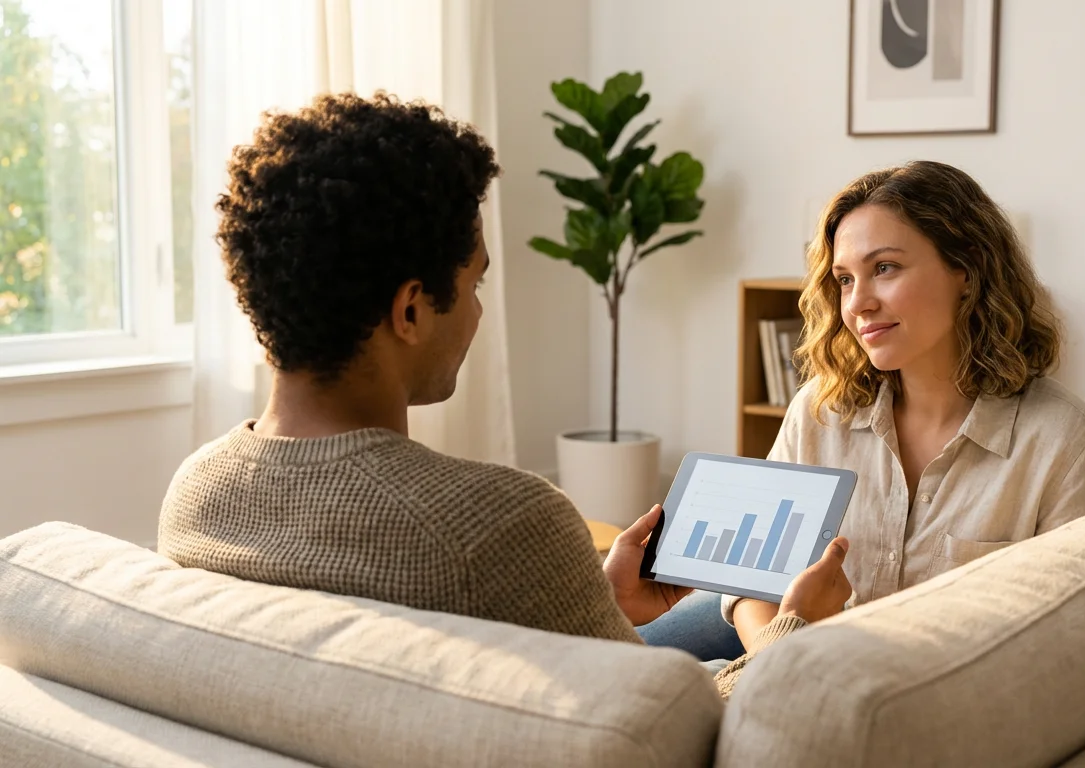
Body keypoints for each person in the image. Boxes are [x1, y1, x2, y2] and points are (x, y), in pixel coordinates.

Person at [156, 92, 851, 697]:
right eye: (474, 284)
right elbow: (673, 730)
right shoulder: (498, 524)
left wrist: (594, 600)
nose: (478, 313)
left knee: (706, 610)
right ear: (410, 311)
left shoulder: (196, 492)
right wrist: (793, 634)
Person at [638, 160, 1085, 658]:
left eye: (885, 268)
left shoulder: (1067, 446)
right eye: (845, 279)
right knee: (619, 660)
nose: (858, 304)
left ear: (967, 267)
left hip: (927, 693)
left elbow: (1078, 649)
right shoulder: (818, 411)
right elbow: (750, 586)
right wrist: (775, 660)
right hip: (790, 653)